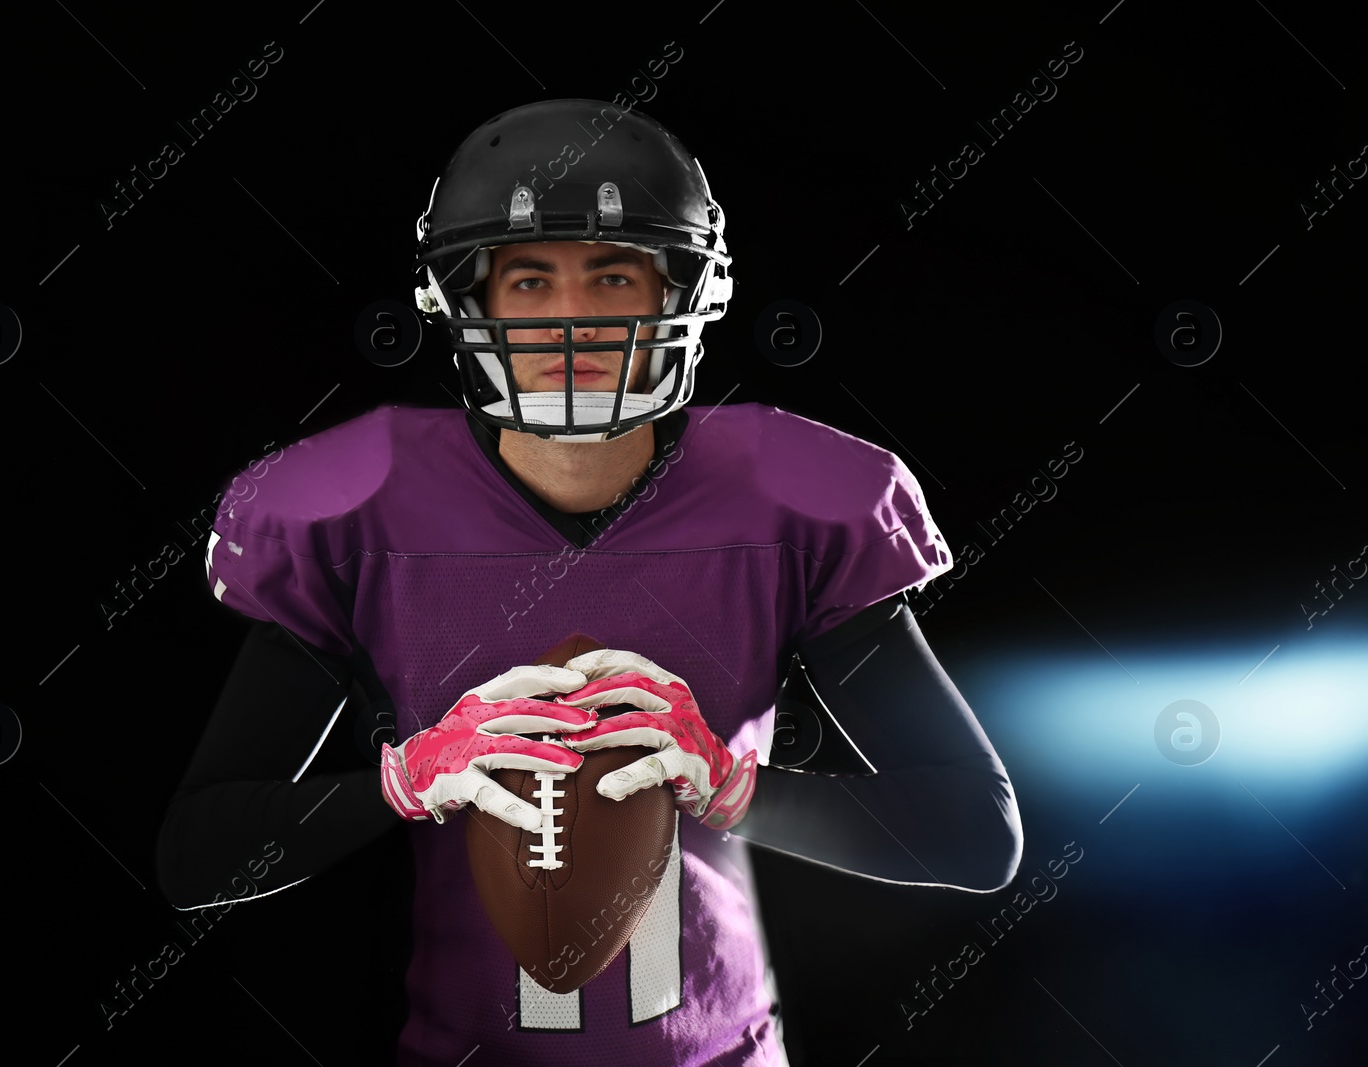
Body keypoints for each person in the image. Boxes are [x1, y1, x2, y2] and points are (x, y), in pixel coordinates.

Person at [157, 98, 1022, 1066]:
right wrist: (404, 780)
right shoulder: (355, 505)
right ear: (464, 302)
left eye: (614, 274)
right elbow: (199, 855)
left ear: (683, 295)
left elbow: (975, 835)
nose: (574, 317)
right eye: (529, 280)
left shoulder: (790, 498)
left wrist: (737, 786)